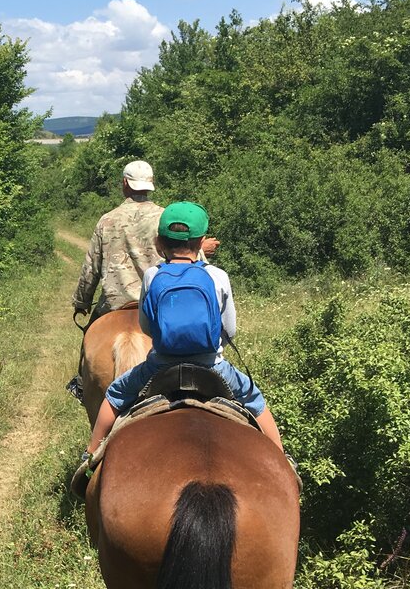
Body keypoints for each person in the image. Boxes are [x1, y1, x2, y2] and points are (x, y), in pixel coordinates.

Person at [73, 201, 287, 492]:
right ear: (201, 243)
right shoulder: (217, 276)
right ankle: (283, 463)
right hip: (212, 365)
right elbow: (230, 329)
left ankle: (91, 457)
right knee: (256, 401)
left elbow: (147, 327)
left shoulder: (152, 276)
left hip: (161, 363)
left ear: (160, 243)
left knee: (113, 395)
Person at [72, 160, 219, 319]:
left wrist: (82, 302)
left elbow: (91, 267)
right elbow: (187, 257)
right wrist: (201, 250)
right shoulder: (166, 219)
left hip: (114, 307)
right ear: (151, 183)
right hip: (158, 304)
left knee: (91, 338)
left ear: (125, 183)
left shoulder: (107, 220)